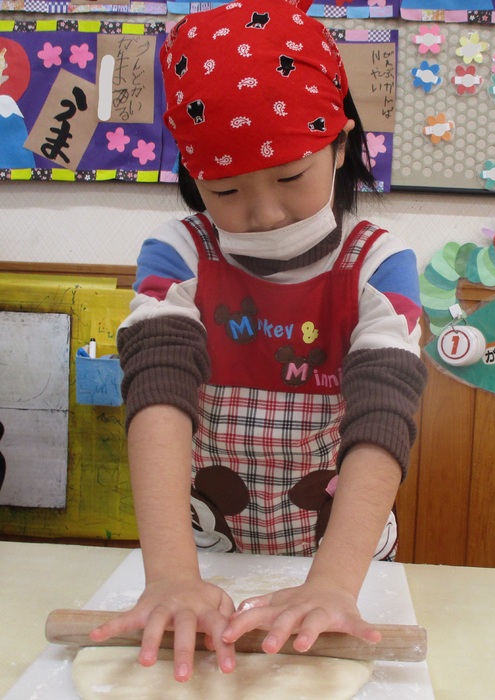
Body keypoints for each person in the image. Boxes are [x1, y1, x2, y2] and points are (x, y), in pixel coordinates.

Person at [91, 0, 427, 683]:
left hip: (344, 563)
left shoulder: (378, 263)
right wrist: (172, 575)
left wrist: (332, 583)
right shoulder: (178, 255)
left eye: (289, 177)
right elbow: (158, 397)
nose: (264, 213)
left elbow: (383, 416)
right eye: (225, 189)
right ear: (193, 180)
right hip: (202, 560)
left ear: (339, 146)